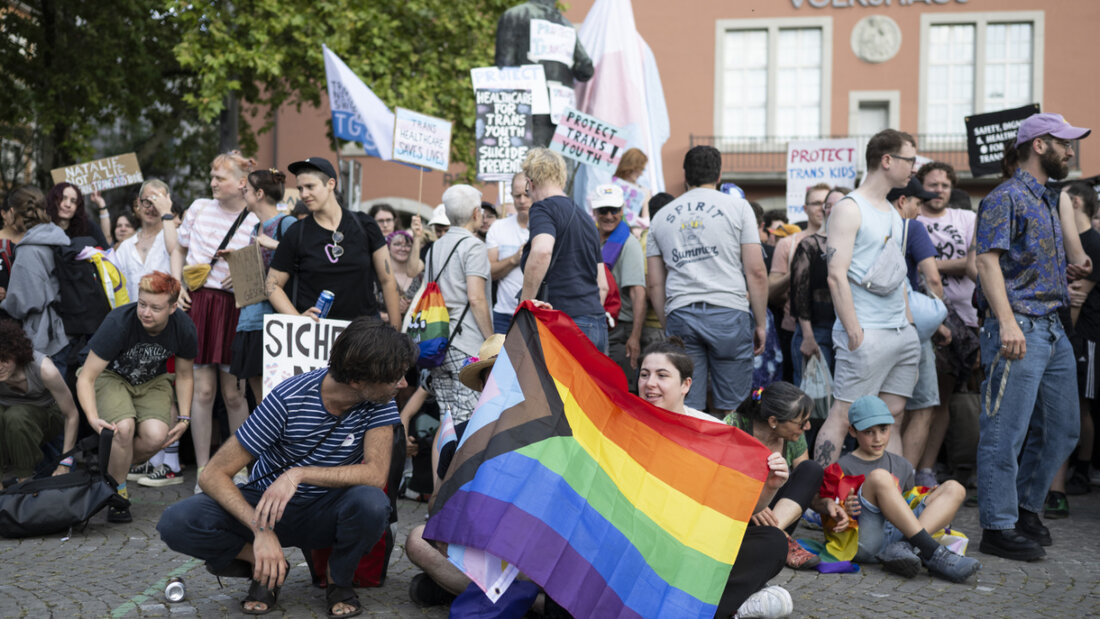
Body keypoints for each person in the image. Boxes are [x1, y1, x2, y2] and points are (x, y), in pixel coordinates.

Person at [157, 317, 415, 617]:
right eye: (394, 378)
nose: (403, 384)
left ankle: (338, 579)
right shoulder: (288, 398)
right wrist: (260, 531)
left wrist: (299, 474)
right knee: (176, 521)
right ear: (357, 381)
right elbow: (214, 473)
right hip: (268, 507)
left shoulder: (381, 400)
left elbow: (375, 474)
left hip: (327, 509)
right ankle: (263, 565)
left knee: (373, 504)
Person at [974, 113, 1091, 561]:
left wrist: (1064, 273)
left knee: (1062, 429)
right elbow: (986, 262)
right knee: (1004, 431)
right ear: (1039, 145)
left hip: (1052, 327)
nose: (1070, 151)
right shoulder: (1005, 196)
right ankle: (997, 526)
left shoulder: (1047, 199)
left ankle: (1024, 509)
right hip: (1018, 326)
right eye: (1064, 143)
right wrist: (1006, 321)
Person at [636, 340, 794, 618]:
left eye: (662, 375)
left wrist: (770, 487)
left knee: (772, 542)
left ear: (686, 385)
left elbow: (741, 508)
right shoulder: (626, 421)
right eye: (644, 374)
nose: (650, 383)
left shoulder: (714, 432)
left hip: (695, 544)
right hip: (640, 539)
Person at [813, 130, 921, 466]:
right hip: (866, 332)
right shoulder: (849, 208)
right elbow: (836, 274)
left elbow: (897, 273)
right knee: (843, 416)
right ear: (887, 160)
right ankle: (821, 493)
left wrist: (909, 325)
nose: (914, 168)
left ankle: (891, 493)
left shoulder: (891, 210)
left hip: (899, 331)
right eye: (910, 160)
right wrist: (854, 330)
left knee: (891, 417)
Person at [646, 145, 768, 416]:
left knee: (685, 406)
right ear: (719, 174)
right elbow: (756, 271)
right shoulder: (739, 208)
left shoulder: (661, 216)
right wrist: (760, 323)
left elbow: (654, 284)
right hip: (729, 312)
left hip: (681, 313)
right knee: (733, 408)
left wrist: (669, 323)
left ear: (685, 175)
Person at [75, 272, 196, 523]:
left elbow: (184, 375)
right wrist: (93, 418)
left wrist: (184, 418)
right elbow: (86, 377)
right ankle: (117, 494)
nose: (146, 313)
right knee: (123, 429)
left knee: (156, 437)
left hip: (152, 380)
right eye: (142, 304)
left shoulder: (184, 327)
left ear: (173, 307)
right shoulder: (119, 322)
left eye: (155, 308)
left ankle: (109, 469)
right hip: (110, 376)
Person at [171, 151, 259, 492]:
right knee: (203, 390)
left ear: (241, 182)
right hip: (199, 301)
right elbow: (178, 248)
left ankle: (238, 468)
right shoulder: (198, 208)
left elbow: (268, 263)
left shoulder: (256, 217)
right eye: (212, 176)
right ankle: (204, 470)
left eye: (219, 178)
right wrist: (177, 284)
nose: (212, 183)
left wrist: (245, 271)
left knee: (235, 394)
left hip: (235, 306)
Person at [828, 396, 980, 583]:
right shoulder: (841, 466)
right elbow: (828, 513)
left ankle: (905, 547)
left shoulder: (903, 465)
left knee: (954, 488)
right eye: (869, 432)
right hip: (866, 540)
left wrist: (927, 497)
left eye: (883, 429)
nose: (878, 438)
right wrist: (844, 509)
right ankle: (933, 551)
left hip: (899, 537)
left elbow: (907, 503)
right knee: (880, 477)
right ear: (852, 431)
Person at [266, 157, 402, 327]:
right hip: (317, 334)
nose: (303, 194)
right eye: (300, 188)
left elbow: (387, 280)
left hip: (364, 333)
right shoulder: (296, 232)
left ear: (331, 184)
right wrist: (298, 319)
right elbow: (272, 284)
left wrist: (396, 332)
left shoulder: (365, 224)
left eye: (310, 187)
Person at [914, 161, 978, 486]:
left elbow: (974, 263)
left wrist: (928, 265)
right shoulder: (911, 218)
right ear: (920, 186)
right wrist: (950, 265)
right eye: (932, 184)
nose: (939, 190)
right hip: (923, 320)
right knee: (922, 399)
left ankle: (930, 468)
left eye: (945, 185)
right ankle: (913, 468)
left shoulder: (966, 218)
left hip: (966, 320)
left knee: (948, 396)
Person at [725, 382, 834, 570]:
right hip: (737, 509)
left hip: (772, 518)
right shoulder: (735, 425)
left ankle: (771, 534)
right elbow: (720, 479)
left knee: (812, 469)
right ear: (773, 421)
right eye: (801, 423)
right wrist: (755, 504)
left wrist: (828, 505)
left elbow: (805, 487)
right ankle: (773, 539)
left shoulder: (793, 436)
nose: (807, 427)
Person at [519, 148, 609, 352]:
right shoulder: (586, 218)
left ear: (531, 183)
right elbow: (602, 285)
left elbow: (542, 252)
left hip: (562, 321)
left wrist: (525, 305)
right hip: (595, 321)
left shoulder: (543, 209)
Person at [887, 177, 949, 470]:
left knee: (886, 410)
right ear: (903, 201)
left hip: (871, 326)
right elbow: (932, 278)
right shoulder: (911, 227)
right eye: (917, 203)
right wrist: (937, 315)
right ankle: (904, 481)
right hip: (910, 328)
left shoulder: (865, 224)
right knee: (922, 406)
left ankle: (878, 480)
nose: (920, 210)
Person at [424, 184, 493, 425]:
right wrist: (491, 340)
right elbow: (476, 298)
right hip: (466, 341)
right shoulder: (474, 246)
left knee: (446, 419)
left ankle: (443, 453)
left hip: (436, 341)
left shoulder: (435, 246)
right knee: (467, 419)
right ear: (475, 213)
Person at [1051, 182, 1100, 518]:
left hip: (1083, 334)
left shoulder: (1093, 243)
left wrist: (1063, 338)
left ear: (1076, 202)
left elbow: (1079, 297)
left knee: (1081, 404)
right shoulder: (1064, 240)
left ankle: (1081, 468)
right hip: (1068, 333)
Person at [229, 168, 296, 404]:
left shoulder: (287, 223)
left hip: (274, 320)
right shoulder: (253, 228)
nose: (242, 193)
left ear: (259, 194)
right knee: (258, 397)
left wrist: (276, 245)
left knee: (276, 395)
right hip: (251, 318)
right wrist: (238, 265)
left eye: (246, 190)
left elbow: (304, 258)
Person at [0, 320, 80, 481]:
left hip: (46, 414)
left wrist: (65, 463)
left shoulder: (44, 369)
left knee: (16, 416)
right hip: (8, 417)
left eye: (4, 359)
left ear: (16, 353)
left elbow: (72, 415)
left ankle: (25, 480)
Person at [0, 186, 69, 359]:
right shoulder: (57, 235)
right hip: (66, 328)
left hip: (46, 337)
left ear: (12, 212)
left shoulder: (28, 250)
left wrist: (5, 300)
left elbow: (23, 303)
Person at [772, 183, 830, 386]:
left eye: (826, 203)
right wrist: (800, 270)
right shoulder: (788, 243)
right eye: (816, 203)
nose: (822, 208)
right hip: (795, 329)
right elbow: (770, 290)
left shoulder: (843, 241)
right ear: (805, 208)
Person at [592, 183, 648, 391]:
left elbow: (638, 292)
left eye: (614, 210)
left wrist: (635, 337)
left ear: (622, 210)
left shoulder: (628, 244)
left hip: (620, 329)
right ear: (595, 211)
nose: (609, 216)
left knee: (619, 390)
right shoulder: (590, 238)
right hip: (596, 323)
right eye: (603, 210)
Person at [790, 187, 847, 385]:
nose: (831, 209)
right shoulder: (810, 245)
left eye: (837, 205)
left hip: (847, 330)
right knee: (812, 398)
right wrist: (807, 336)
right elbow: (799, 293)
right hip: (816, 331)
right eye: (827, 205)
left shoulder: (858, 244)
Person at [114, 180, 178, 302]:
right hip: (132, 311)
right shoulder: (126, 247)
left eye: (157, 203)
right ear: (139, 202)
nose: (152, 208)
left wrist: (166, 212)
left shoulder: (174, 237)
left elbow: (175, 250)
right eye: (147, 202)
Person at [487, 172, 531, 334]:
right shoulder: (498, 227)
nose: (522, 201)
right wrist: (513, 260)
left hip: (535, 312)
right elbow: (489, 272)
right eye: (517, 196)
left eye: (526, 194)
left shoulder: (547, 227)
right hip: (504, 314)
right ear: (511, 195)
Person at [45, 182, 109, 248]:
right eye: (63, 198)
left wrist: (101, 203)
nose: (68, 204)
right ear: (53, 201)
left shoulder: (88, 227)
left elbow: (107, 249)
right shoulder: (43, 228)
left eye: (73, 201)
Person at [611, 147, 652, 230]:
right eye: (639, 169)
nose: (641, 173)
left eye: (642, 169)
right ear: (630, 166)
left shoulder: (644, 192)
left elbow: (646, 222)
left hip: (632, 233)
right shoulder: (610, 184)